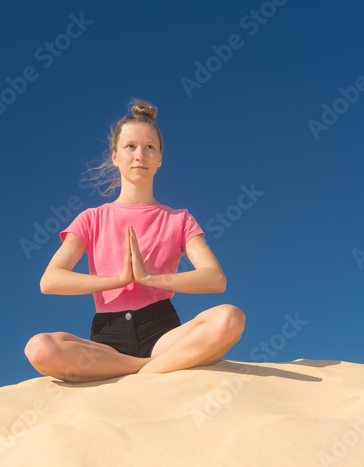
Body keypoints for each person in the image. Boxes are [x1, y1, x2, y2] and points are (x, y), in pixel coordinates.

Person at [24, 99, 245, 382]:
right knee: (40, 349)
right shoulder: (91, 218)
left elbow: (215, 279)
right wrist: (119, 279)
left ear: (160, 158)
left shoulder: (179, 219)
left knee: (230, 318)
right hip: (107, 342)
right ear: (115, 156)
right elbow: (50, 281)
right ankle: (144, 367)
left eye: (149, 147)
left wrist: (149, 278)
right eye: (130, 147)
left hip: (163, 333)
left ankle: (141, 369)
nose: (140, 155)